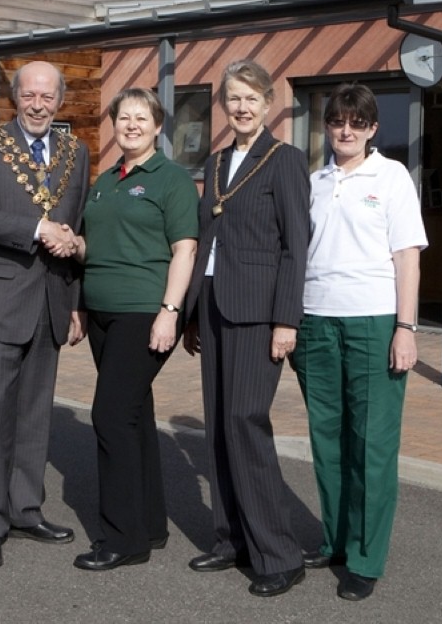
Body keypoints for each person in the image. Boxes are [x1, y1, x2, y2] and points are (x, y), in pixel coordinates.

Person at [292, 82, 427, 602]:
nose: (345, 131)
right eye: (336, 122)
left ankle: (367, 558)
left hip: (373, 322)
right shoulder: (315, 181)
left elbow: (408, 257)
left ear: (372, 129)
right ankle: (337, 540)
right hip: (316, 321)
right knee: (327, 441)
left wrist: (406, 328)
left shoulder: (391, 178)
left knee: (371, 445)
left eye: (357, 123)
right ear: (327, 127)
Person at [182, 59, 310, 597]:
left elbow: (295, 247)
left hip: (259, 312)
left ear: (268, 103)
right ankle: (230, 538)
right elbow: (206, 237)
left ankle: (279, 554)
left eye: (250, 98)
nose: (240, 107)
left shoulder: (285, 160)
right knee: (217, 426)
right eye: (233, 98)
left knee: (246, 421)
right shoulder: (214, 164)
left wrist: (287, 319)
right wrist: (191, 312)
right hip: (213, 304)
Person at [0, 60, 89, 569]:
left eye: (47, 96)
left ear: (60, 101)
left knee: (35, 414)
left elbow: (76, 223)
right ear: (15, 98)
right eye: (29, 95)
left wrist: (74, 301)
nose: (38, 104)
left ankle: (25, 508)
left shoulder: (76, 154)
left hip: (51, 301)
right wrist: (38, 230)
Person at [70, 88, 198, 571]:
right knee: (135, 415)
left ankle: (123, 540)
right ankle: (150, 523)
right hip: (102, 312)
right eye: (124, 117)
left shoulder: (172, 180)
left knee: (110, 415)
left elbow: (185, 249)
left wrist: (171, 309)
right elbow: (96, 249)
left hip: (144, 311)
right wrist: (73, 250)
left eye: (141, 118)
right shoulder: (106, 182)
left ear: (157, 125)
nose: (131, 125)